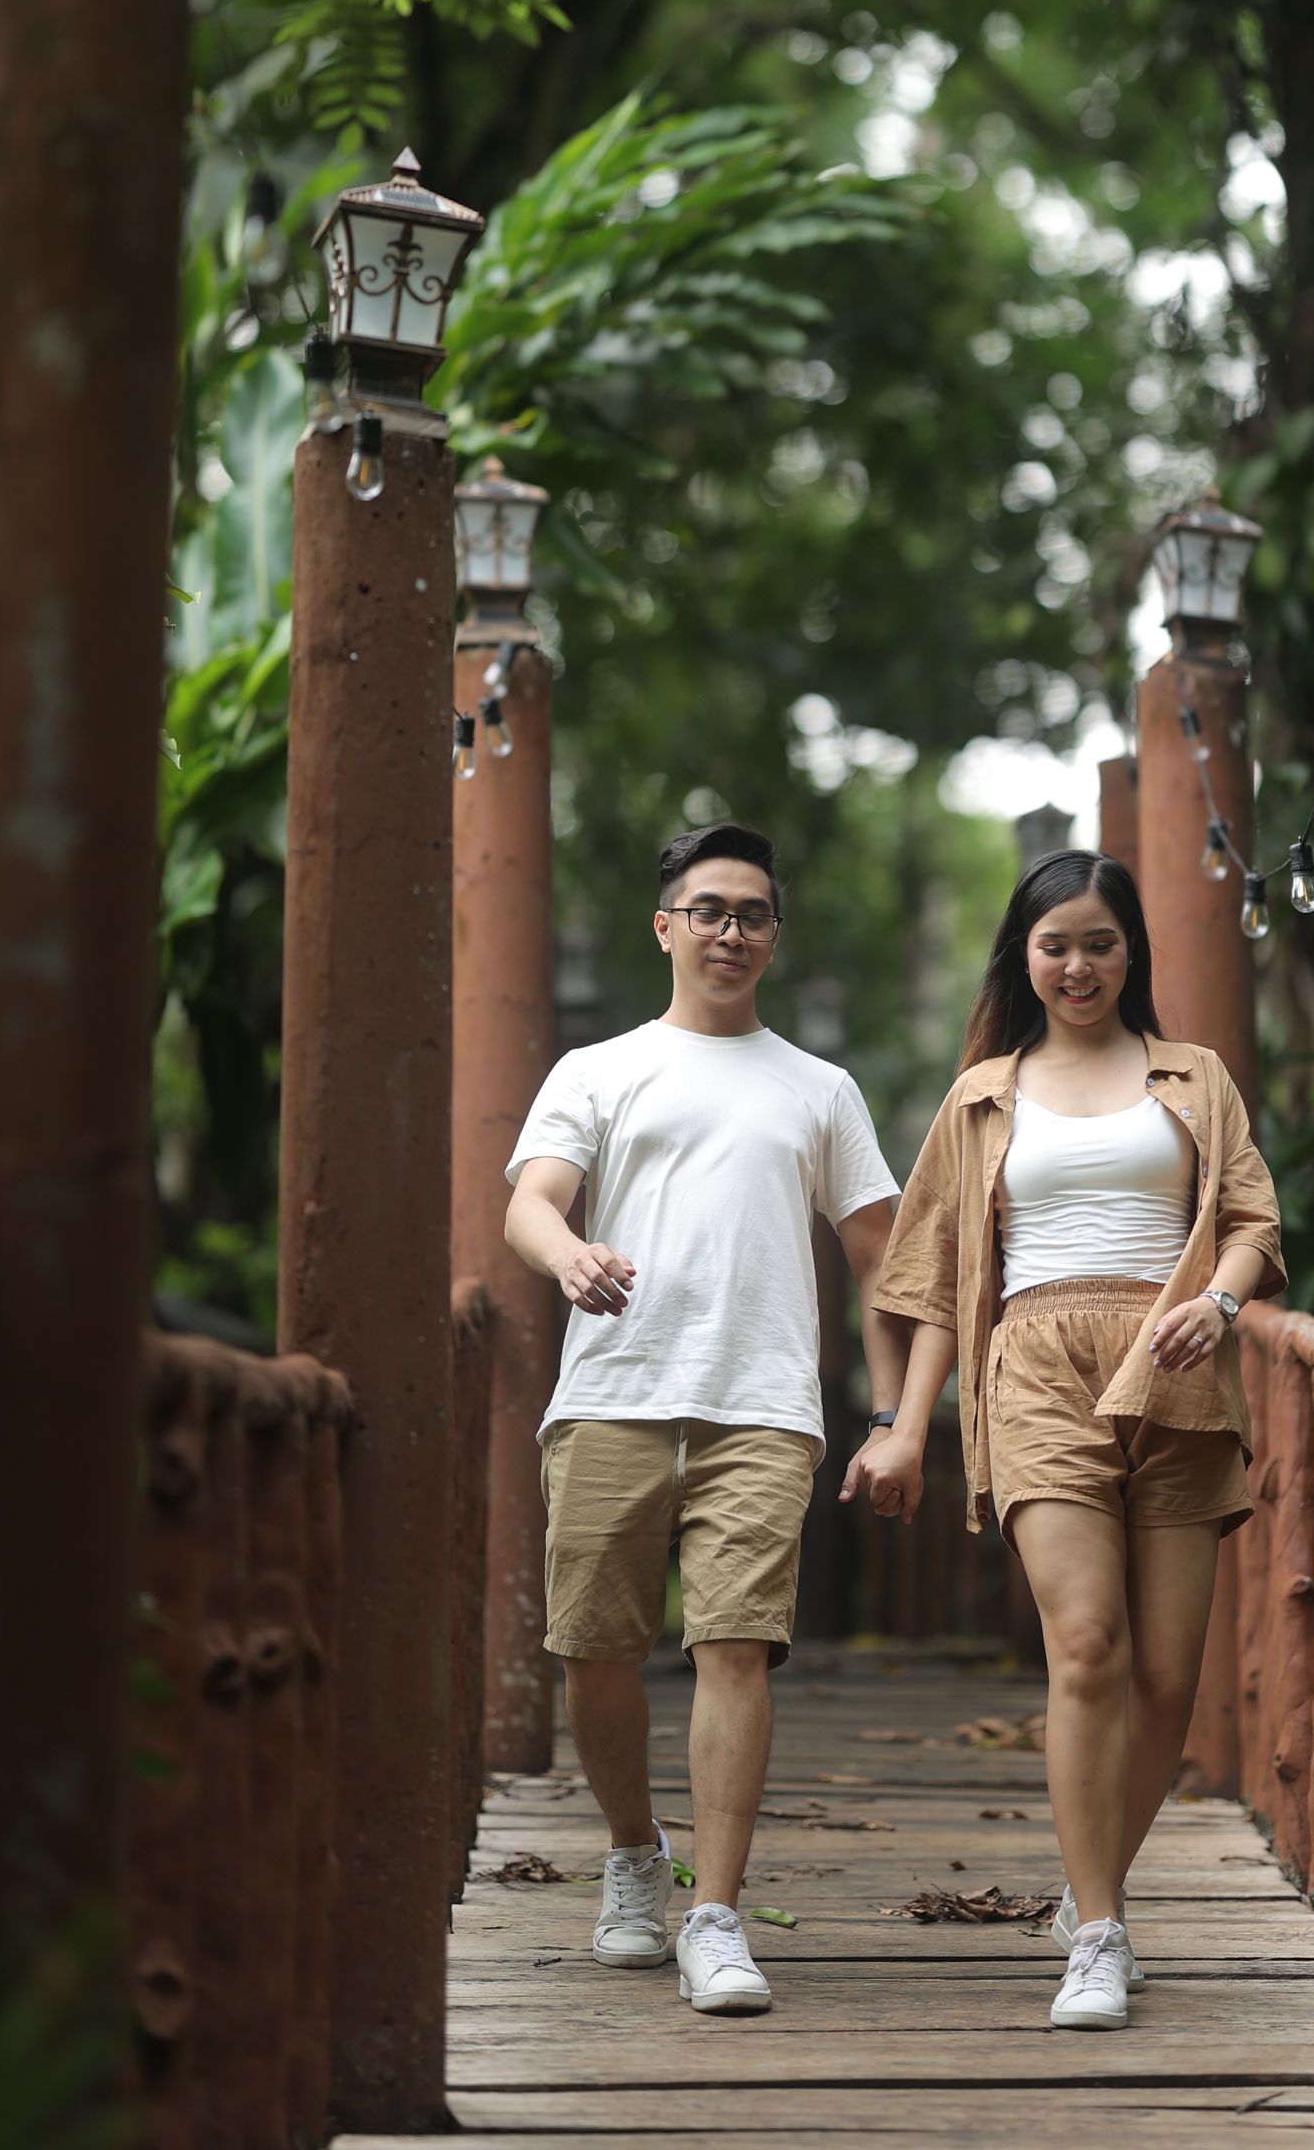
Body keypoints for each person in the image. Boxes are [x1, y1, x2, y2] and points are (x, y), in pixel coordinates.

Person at [841, 848, 1284, 2033]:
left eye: (1099, 942)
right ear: (1023, 957)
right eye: (1055, 944)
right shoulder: (983, 1095)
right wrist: (901, 1428)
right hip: (1034, 1368)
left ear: (1130, 952)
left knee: (1166, 1678)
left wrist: (1220, 1302)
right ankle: (1097, 1932)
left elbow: (1253, 1222)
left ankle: (1098, 1893)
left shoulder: (1193, 1076)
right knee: (1086, 1644)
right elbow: (932, 1282)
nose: (1077, 965)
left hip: (1177, 1364)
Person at [504, 821, 906, 2016]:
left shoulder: (819, 1089)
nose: (732, 930)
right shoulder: (598, 1068)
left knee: (736, 1646)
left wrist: (894, 1413)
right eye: (710, 910)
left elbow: (882, 1259)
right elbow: (531, 1203)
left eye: (753, 914)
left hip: (761, 1405)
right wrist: (570, 1256)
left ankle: (717, 1916)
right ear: (665, 927)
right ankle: (635, 1852)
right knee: (595, 1650)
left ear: (774, 937)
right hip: (613, 1393)